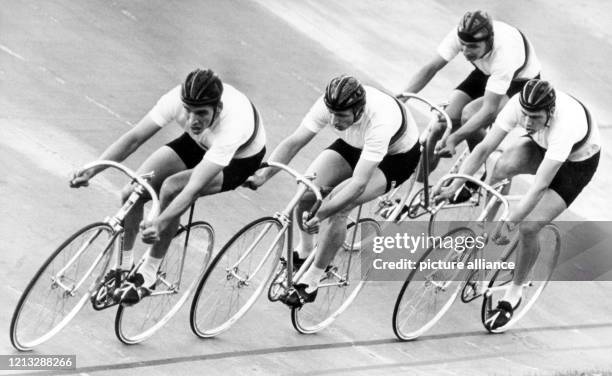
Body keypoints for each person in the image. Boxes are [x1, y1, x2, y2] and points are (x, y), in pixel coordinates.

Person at [70, 68, 266, 305]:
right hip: (200, 140)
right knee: (132, 191)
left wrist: (160, 223)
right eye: (188, 111)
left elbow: (192, 189)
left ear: (218, 109)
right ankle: (123, 267)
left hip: (238, 158)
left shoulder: (233, 126)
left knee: (172, 188)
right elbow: (134, 138)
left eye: (201, 113)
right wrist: (92, 169)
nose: (193, 119)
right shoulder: (177, 101)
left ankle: (149, 273)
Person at [435, 79, 600, 330]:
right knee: (500, 168)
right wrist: (456, 184)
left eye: (534, 117)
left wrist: (510, 221)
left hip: (576, 164)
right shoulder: (518, 105)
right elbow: (483, 148)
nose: (527, 122)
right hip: (542, 145)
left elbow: (538, 187)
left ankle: (514, 292)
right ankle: (481, 234)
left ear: (550, 113)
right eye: (525, 115)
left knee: (529, 227)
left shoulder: (564, 126)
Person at [246, 75, 421, 306]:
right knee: (308, 192)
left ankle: (314, 278)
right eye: (332, 115)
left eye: (341, 117)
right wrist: (264, 174)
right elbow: (295, 140)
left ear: (358, 111)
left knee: (339, 205)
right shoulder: (330, 104)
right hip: (356, 143)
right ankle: (306, 250)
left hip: (395, 158)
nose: (334, 121)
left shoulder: (380, 121)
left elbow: (358, 184)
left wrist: (322, 214)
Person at [402, 10, 541, 191]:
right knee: (439, 125)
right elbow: (431, 67)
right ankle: (416, 191)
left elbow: (488, 110)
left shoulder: (505, 52)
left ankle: (478, 169)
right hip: (485, 71)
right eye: (463, 46)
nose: (466, 52)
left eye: (473, 47)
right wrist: (402, 98)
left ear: (489, 40)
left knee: (469, 115)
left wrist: (454, 139)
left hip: (519, 83)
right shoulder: (462, 35)